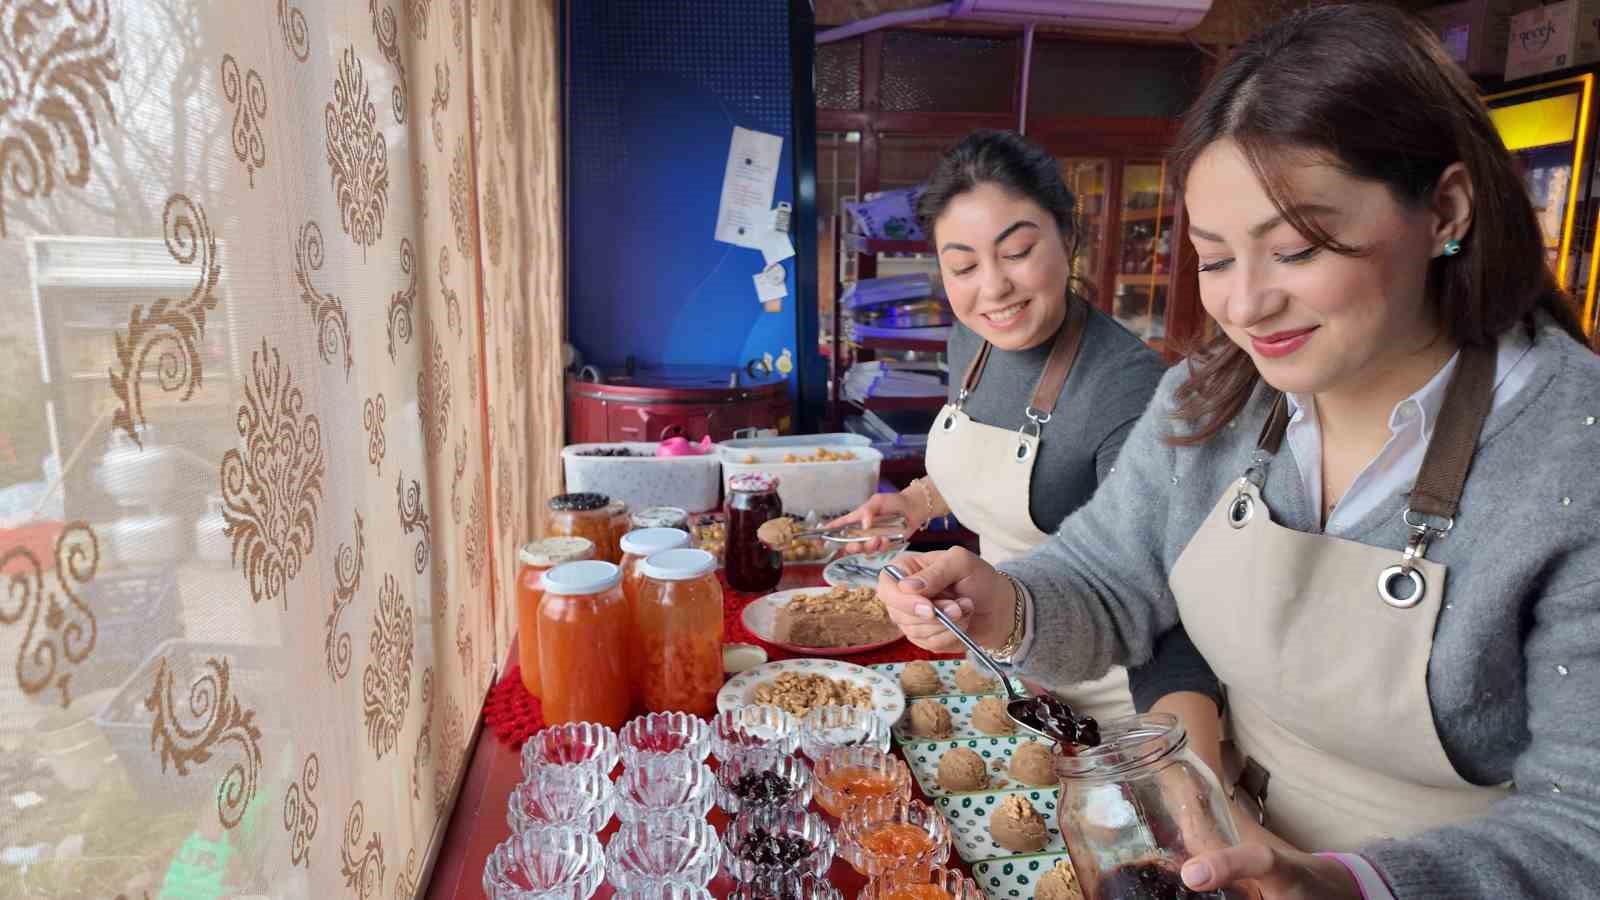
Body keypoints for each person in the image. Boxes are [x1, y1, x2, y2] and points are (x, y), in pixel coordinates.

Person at [875, 5, 1600, 898]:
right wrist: (1008, 603)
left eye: (1294, 248)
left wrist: (1346, 883)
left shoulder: (1573, 461)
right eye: (1214, 260)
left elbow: (1584, 832)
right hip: (1215, 844)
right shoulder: (1215, 397)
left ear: (1444, 209)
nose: (1247, 307)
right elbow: (1110, 581)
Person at [830, 130, 1223, 739]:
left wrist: (1188, 772)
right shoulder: (972, 342)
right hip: (1002, 668)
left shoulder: (1128, 389)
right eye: (962, 265)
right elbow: (983, 467)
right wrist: (915, 503)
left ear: (1069, 235)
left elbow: (1169, 613)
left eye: (1016, 253)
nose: (992, 288)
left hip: (1112, 705)